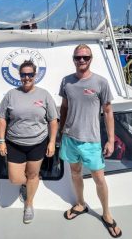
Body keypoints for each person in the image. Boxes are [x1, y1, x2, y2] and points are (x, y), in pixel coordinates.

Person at [59, 44, 122, 238]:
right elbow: (64, 107)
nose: (82, 61)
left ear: (91, 59)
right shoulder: (66, 82)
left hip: (92, 140)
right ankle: (80, 204)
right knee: (75, 173)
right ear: (73, 59)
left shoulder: (101, 82)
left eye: (85, 57)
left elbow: (109, 112)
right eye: (78, 57)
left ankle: (106, 213)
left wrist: (110, 140)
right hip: (69, 138)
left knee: (99, 179)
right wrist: (61, 131)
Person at [0, 60, 58, 224]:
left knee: (32, 174)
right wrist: (1, 141)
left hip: (38, 143)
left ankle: (29, 203)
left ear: (35, 75)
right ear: (20, 76)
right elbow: (2, 118)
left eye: (30, 74)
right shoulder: (11, 94)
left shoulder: (44, 95)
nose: (26, 77)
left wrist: (52, 142)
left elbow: (53, 120)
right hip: (14, 143)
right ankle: (31, 183)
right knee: (15, 179)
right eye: (23, 74)